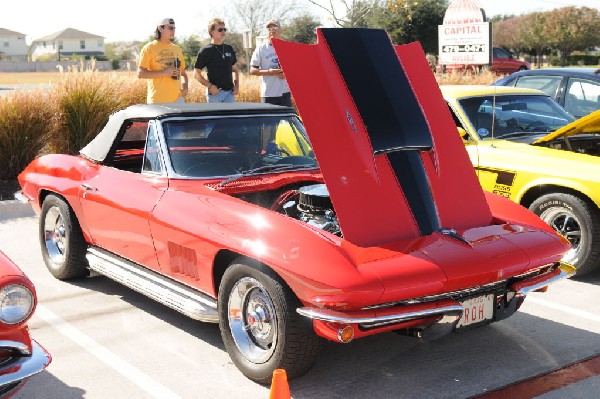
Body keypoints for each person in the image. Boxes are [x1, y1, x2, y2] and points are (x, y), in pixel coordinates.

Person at [137, 18, 188, 104]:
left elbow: (183, 74)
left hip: (178, 100)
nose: (173, 31)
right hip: (157, 101)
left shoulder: (177, 49)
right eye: (170, 28)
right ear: (160, 28)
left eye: (174, 28)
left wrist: (185, 87)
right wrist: (164, 72)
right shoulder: (149, 48)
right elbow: (140, 73)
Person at [194, 18, 239, 103]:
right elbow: (196, 73)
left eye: (224, 29)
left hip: (230, 94)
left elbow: (235, 70)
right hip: (215, 95)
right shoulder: (205, 50)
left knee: (231, 117)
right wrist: (210, 86)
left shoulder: (229, 48)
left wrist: (237, 86)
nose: (223, 32)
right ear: (212, 32)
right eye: (220, 29)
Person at [249, 20, 292, 107]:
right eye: (269, 29)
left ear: (280, 30)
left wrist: (287, 74)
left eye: (275, 28)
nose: (272, 31)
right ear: (266, 32)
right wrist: (269, 72)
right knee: (269, 120)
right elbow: (253, 70)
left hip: (284, 93)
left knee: (287, 120)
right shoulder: (261, 49)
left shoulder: (287, 47)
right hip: (268, 93)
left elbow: (296, 68)